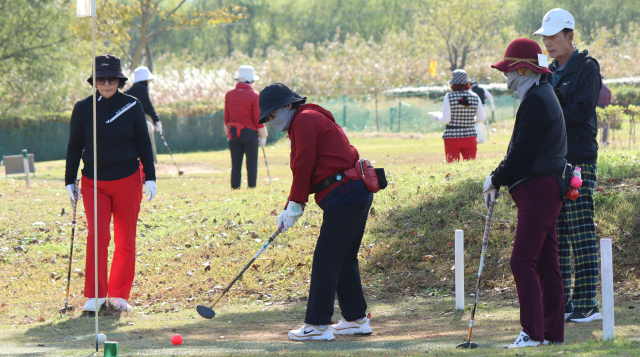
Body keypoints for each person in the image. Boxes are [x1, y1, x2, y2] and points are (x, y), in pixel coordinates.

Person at [258, 83, 374, 341]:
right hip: (352, 193)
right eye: (266, 118)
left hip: (346, 194)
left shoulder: (305, 120)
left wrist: (296, 203)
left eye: (272, 113)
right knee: (343, 259)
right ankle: (356, 320)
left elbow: (304, 164)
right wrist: (292, 204)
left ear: (289, 104)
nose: (270, 120)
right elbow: (305, 166)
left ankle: (318, 325)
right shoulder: (303, 121)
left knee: (326, 260)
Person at [485, 38, 567, 348]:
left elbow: (521, 152)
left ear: (522, 69)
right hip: (544, 189)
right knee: (546, 265)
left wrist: (495, 178)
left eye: (508, 70)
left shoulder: (537, 99)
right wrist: (499, 176)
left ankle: (533, 333)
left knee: (522, 261)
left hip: (539, 190)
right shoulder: (540, 94)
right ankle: (551, 334)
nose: (505, 77)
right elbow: (522, 150)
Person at [65, 54, 157, 313]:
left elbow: (143, 143)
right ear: (94, 80)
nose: (106, 83)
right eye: (101, 78)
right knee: (98, 235)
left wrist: (150, 176)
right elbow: (74, 147)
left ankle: (118, 295)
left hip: (128, 179)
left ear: (119, 80)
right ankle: (95, 295)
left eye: (112, 78)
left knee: (126, 239)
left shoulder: (132, 105)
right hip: (94, 182)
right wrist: (68, 179)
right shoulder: (82, 108)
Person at [533, 8, 603, 323]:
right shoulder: (546, 71)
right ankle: (561, 302)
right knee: (557, 233)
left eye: (553, 36)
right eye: (544, 37)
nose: (547, 42)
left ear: (569, 36)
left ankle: (586, 303)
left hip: (579, 161)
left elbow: (580, 112)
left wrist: (551, 97)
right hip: (553, 160)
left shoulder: (587, 67)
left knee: (580, 229)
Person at [224, 65, 268, 189]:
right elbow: (258, 119)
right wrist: (263, 136)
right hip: (250, 134)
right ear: (251, 80)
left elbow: (226, 118)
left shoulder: (229, 95)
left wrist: (228, 134)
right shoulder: (254, 95)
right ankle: (251, 189)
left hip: (233, 133)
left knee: (236, 166)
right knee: (251, 165)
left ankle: (235, 189)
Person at [431, 69, 485, 162]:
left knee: (452, 166)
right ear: (467, 83)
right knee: (470, 166)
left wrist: (437, 118)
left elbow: (446, 119)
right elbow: (481, 118)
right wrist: (469, 121)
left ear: (452, 84)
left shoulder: (449, 97)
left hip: (452, 137)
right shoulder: (475, 96)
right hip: (470, 136)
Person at [124, 66, 162, 135]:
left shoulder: (132, 91)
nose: (149, 82)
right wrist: (157, 121)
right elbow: (148, 107)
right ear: (145, 80)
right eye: (148, 80)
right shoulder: (141, 89)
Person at [597, 76, 612, 146]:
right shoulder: (606, 89)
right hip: (606, 108)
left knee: (595, 126)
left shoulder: (595, 88)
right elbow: (609, 101)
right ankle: (604, 141)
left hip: (596, 109)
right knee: (605, 126)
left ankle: (594, 140)